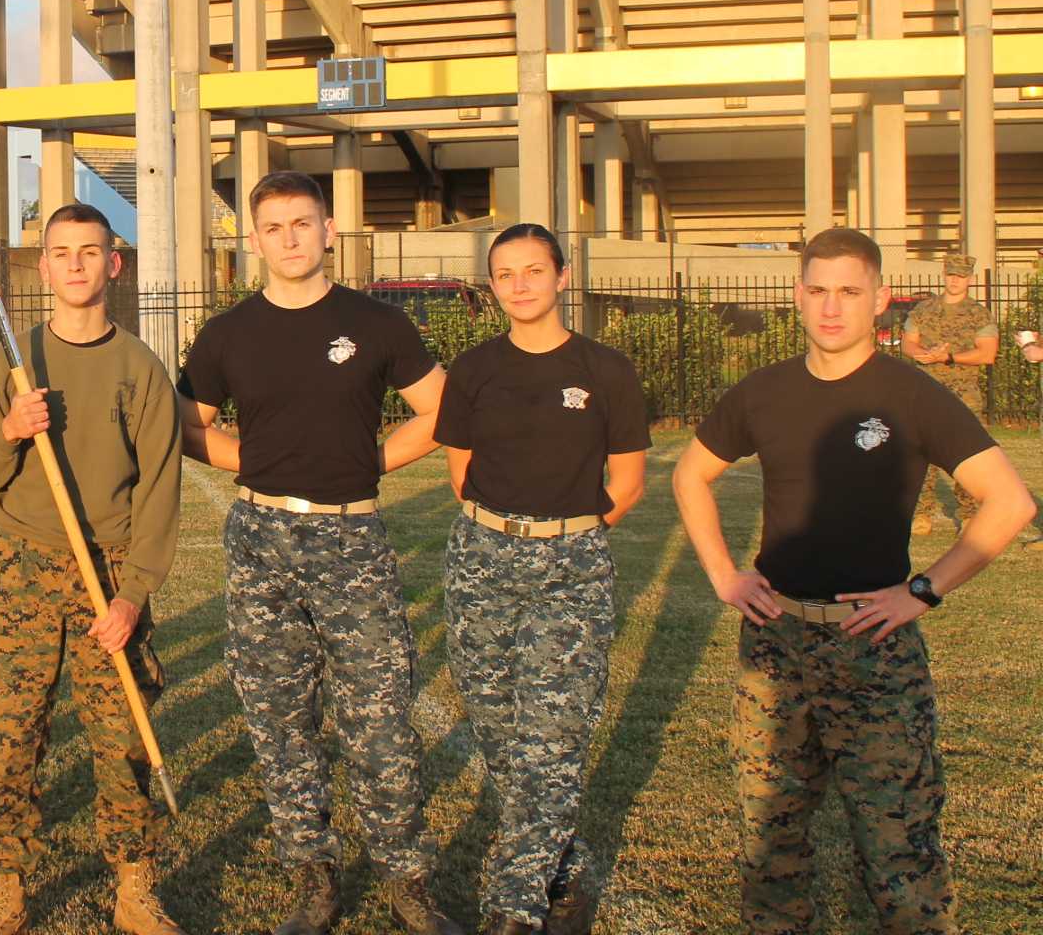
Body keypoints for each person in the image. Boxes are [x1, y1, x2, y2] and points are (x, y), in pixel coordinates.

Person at [672, 227, 1035, 935]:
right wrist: (723, 574)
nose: (831, 307)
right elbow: (691, 474)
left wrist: (923, 590)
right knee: (770, 840)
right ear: (797, 296)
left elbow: (1010, 502)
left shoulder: (913, 394)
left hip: (875, 652)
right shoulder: (763, 391)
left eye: (848, 291)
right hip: (776, 647)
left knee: (899, 852)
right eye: (817, 290)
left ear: (880, 300)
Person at [178, 170, 459, 935]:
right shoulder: (228, 332)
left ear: (329, 230)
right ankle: (314, 872)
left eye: (303, 223)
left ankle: (407, 876)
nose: (290, 239)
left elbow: (439, 410)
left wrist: (373, 463)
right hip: (261, 537)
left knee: (379, 713)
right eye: (274, 228)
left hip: (351, 536)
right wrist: (253, 461)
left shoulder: (377, 323)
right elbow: (185, 422)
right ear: (255, 241)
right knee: (280, 714)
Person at [0, 202, 185, 935]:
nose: (77, 264)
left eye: (92, 251)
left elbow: (159, 491)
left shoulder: (139, 367)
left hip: (107, 573)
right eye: (62, 252)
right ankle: (6, 886)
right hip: (25, 566)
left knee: (120, 737)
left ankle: (133, 883)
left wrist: (132, 596)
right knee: (14, 731)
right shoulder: (12, 362)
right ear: (44, 265)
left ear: (114, 265)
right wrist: (12, 431)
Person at [432, 223, 648, 935]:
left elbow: (629, 478)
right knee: (500, 730)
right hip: (482, 559)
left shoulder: (606, 368)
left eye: (534, 270)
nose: (521, 284)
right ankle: (565, 867)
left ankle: (514, 908)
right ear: (492, 285)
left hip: (573, 566)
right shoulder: (474, 369)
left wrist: (568, 534)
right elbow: (460, 472)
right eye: (506, 273)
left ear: (561, 274)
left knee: (552, 735)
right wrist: (505, 533)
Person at [903, 251, 997, 535]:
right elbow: (908, 343)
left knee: (967, 454)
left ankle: (968, 512)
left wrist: (950, 357)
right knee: (923, 451)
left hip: (964, 391)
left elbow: (987, 353)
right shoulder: (924, 310)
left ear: (969, 279)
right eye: (951, 275)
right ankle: (921, 513)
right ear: (944, 275)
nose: (955, 281)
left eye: (961, 276)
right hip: (928, 390)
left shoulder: (979, 313)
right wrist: (925, 354)